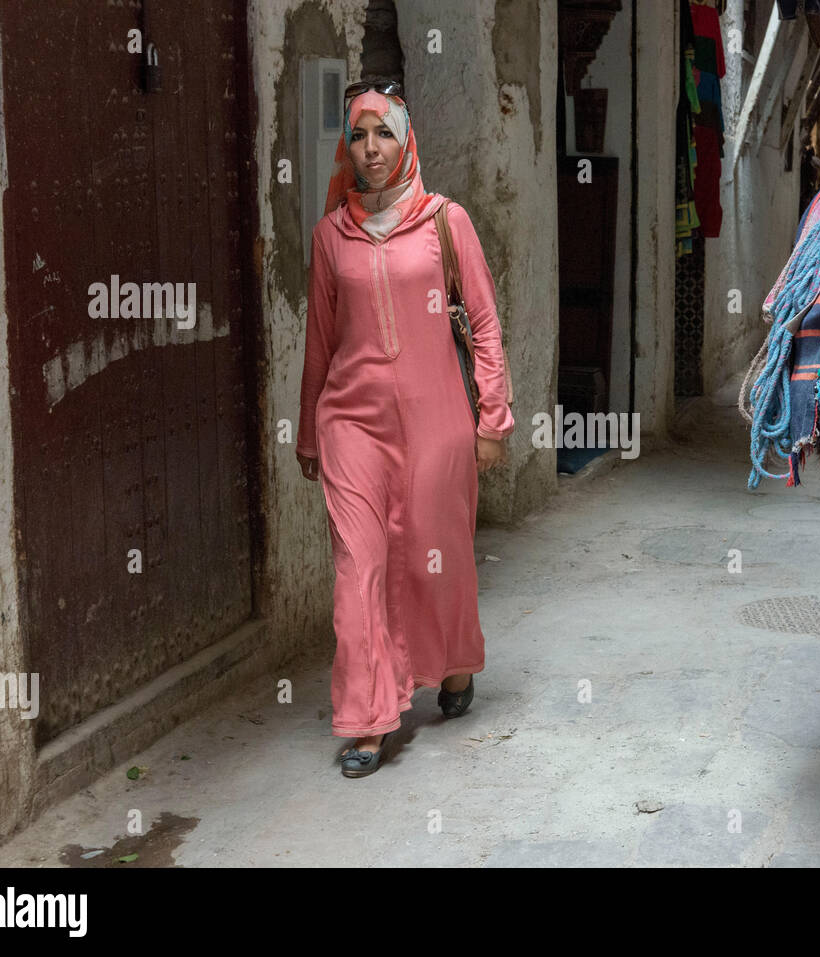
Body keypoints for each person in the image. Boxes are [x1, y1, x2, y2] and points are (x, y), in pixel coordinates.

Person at [296, 80, 515, 778]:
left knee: (432, 550)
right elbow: (319, 343)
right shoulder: (331, 236)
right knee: (358, 567)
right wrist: (309, 432)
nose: (371, 148)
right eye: (359, 136)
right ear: (348, 148)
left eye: (383, 133)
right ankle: (368, 718)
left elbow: (482, 322)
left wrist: (493, 417)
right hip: (350, 424)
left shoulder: (446, 221)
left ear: (406, 141)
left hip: (437, 423)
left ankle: (451, 664)